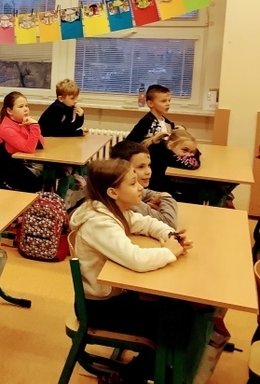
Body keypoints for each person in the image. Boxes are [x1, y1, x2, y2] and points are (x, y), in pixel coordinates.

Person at [69, 159, 193, 382]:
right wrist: (169, 252)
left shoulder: (112, 208)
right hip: (99, 308)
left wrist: (170, 236)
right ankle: (130, 377)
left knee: (178, 311)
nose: (140, 188)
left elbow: (145, 222)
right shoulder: (99, 222)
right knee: (174, 324)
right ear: (113, 192)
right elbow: (136, 260)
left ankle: (152, 369)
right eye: (133, 183)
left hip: (112, 297)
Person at [110, 140, 178, 228]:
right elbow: (169, 223)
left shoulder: (131, 191)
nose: (148, 171)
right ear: (122, 170)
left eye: (149, 165)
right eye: (141, 167)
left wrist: (158, 201)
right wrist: (166, 196)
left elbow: (150, 194)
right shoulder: (128, 199)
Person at [0, 91, 45, 192]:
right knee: (35, 184)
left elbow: (40, 144)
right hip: (3, 172)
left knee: (43, 177)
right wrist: (35, 125)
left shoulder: (20, 124)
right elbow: (29, 148)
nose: (26, 109)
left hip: (16, 165)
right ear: (9, 111)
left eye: (26, 105)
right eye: (21, 106)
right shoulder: (6, 129)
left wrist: (31, 127)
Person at [143, 128, 201, 201]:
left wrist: (194, 152)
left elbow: (196, 154)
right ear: (170, 145)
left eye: (192, 152)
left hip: (162, 189)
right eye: (185, 150)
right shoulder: (162, 153)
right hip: (154, 193)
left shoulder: (167, 146)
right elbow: (192, 164)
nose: (189, 155)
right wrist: (195, 154)